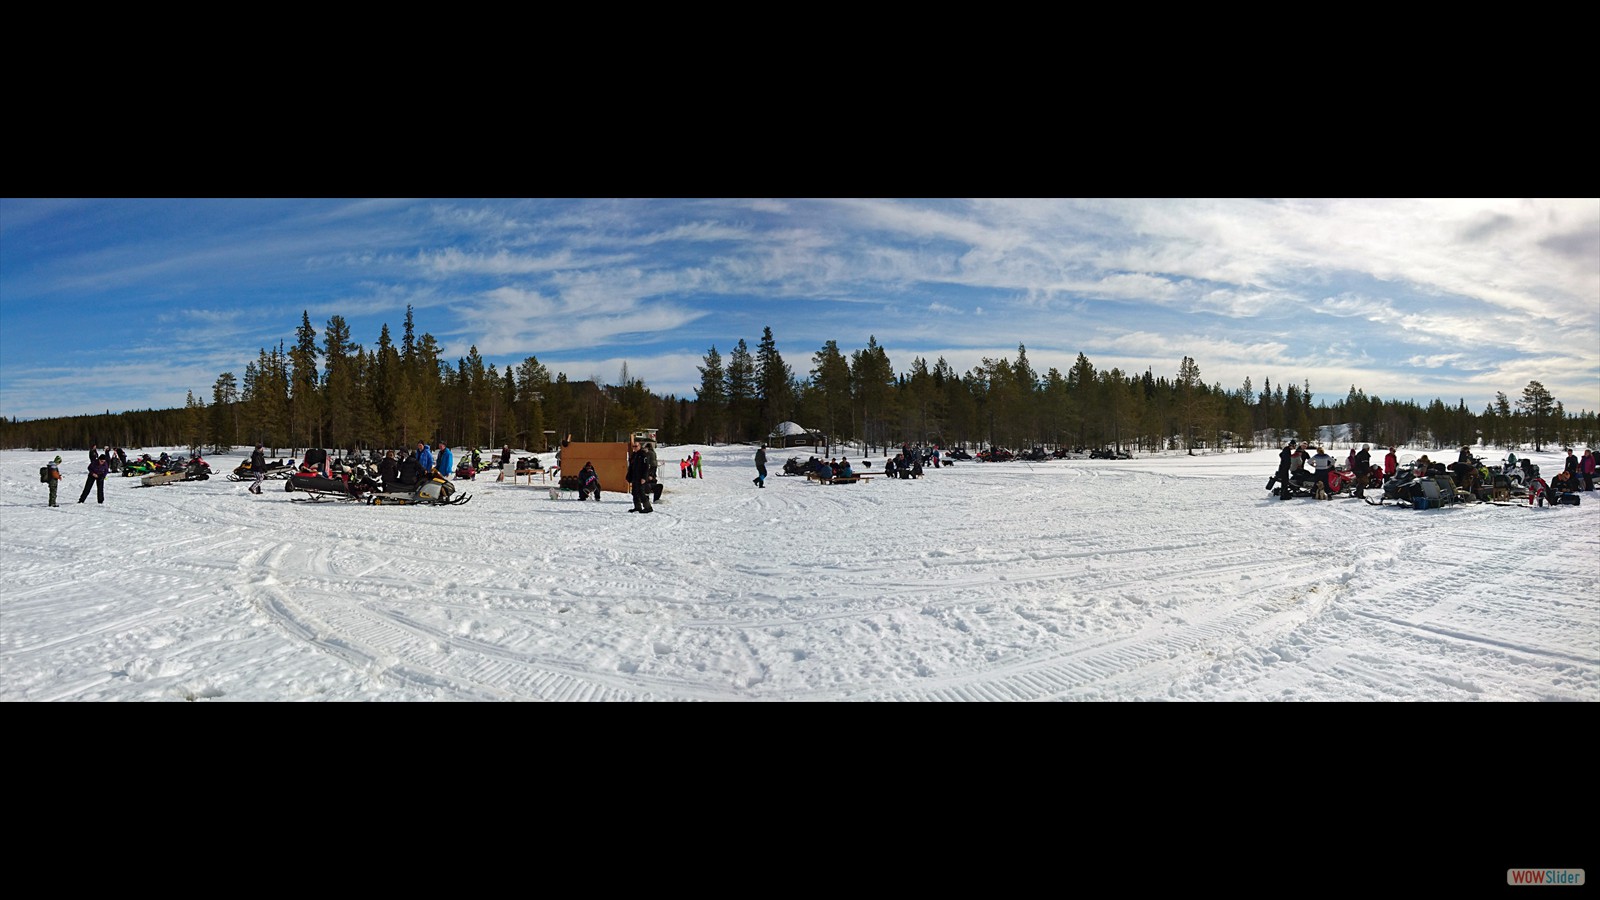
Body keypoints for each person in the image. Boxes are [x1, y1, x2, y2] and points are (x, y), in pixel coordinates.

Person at [626, 440, 655, 513]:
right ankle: (637, 507)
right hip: (635, 477)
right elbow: (631, 467)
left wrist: (644, 477)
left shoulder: (643, 455)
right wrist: (629, 476)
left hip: (641, 477)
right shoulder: (634, 455)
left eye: (636, 446)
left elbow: (646, 467)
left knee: (641, 492)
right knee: (635, 492)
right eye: (633, 446)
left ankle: (648, 507)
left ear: (639, 446)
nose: (634, 448)